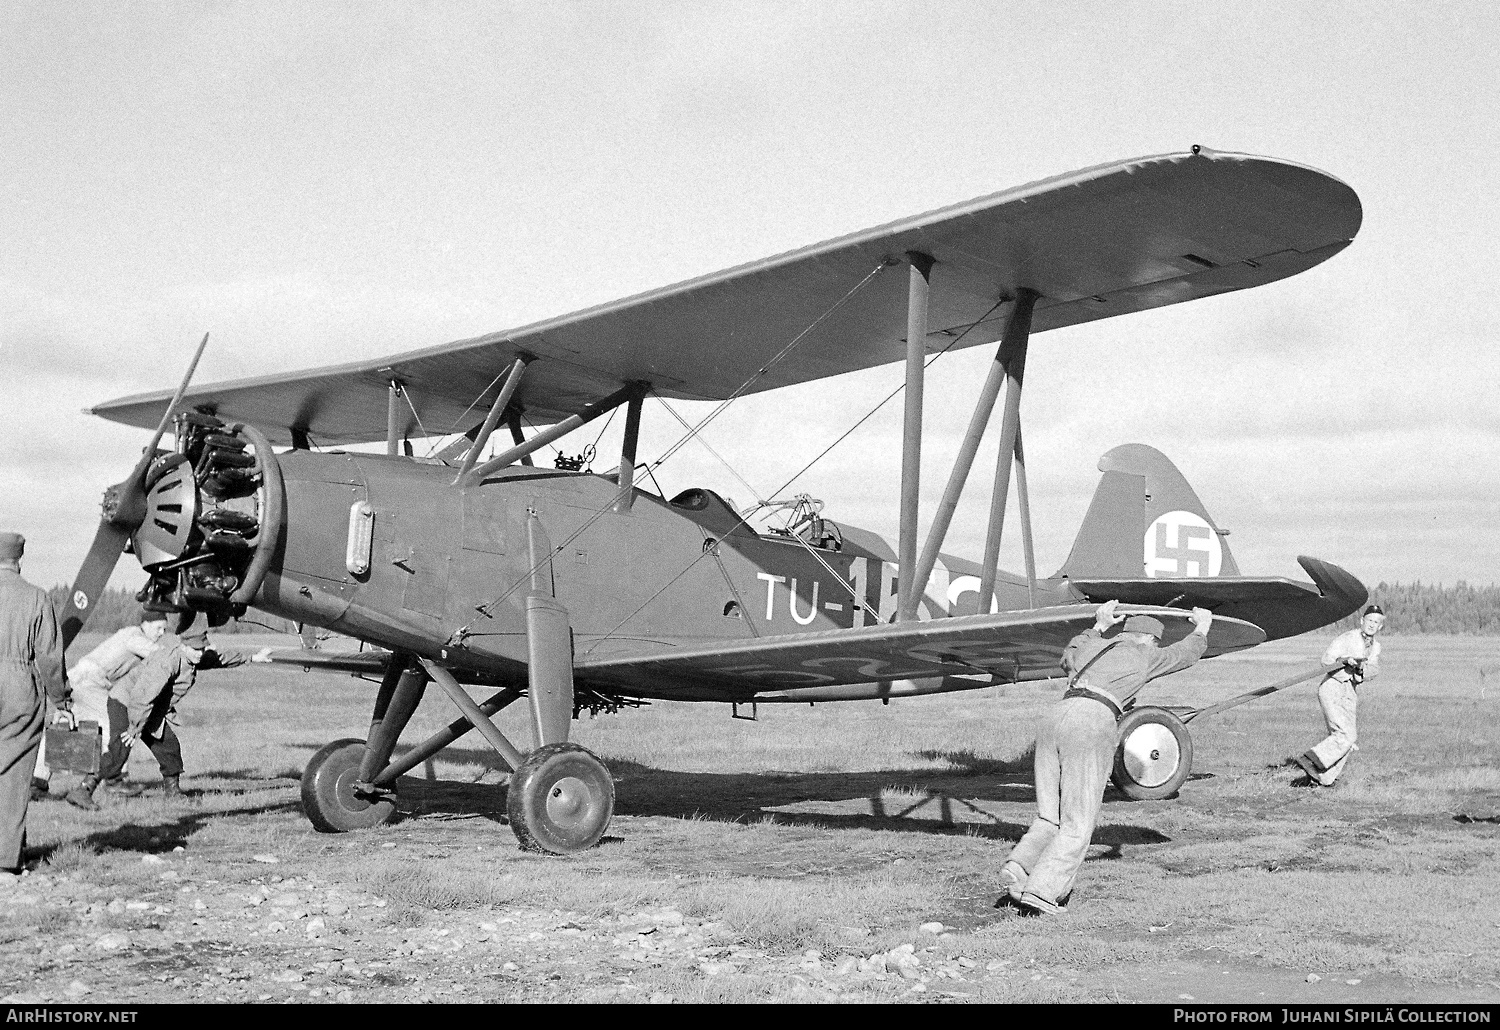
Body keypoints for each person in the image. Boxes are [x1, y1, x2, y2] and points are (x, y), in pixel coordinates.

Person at [1000, 599, 1213, 915]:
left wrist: (1099, 624)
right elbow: (1184, 654)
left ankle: (1020, 867)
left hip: (1055, 716)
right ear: (1148, 638)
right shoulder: (1144, 654)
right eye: (1155, 640)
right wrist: (1202, 626)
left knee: (1050, 813)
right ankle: (1043, 891)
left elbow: (1068, 654)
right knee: (1078, 819)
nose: (1155, 645)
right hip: (1092, 720)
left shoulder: (1091, 646)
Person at [66, 621, 269, 809]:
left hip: (149, 708)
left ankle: (173, 792)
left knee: (168, 745)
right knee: (119, 750)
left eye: (202, 648)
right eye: (196, 649)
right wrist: (134, 728)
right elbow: (143, 695)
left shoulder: (193, 657)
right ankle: (82, 790)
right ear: (184, 646)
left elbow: (218, 658)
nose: (200, 653)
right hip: (126, 703)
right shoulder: (166, 662)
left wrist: (251, 657)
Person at [33, 610, 168, 800]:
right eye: (158, 628)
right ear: (145, 624)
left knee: (64, 728)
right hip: (90, 682)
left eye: (164, 629)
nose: (161, 633)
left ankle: (36, 783)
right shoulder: (134, 636)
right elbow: (159, 655)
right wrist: (186, 653)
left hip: (78, 679)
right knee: (118, 724)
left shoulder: (131, 634)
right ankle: (115, 779)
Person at [0, 532, 66, 878]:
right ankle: (5, 860)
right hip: (18, 685)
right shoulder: (36, 597)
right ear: (19, 560)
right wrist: (62, 699)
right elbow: (50, 657)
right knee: (12, 775)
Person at [1290, 604, 1385, 788]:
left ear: (1380, 627)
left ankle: (1323, 778)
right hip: (1333, 686)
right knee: (1344, 734)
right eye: (1370, 620)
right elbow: (1326, 660)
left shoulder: (1376, 647)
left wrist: (1361, 668)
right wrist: (1344, 661)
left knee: (1350, 738)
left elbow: (1373, 669)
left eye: (1376, 622)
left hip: (1350, 690)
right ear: (1361, 621)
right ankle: (1311, 760)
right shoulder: (1347, 638)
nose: (1372, 625)